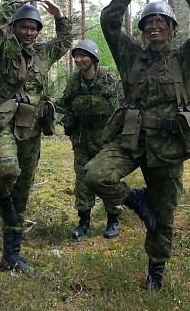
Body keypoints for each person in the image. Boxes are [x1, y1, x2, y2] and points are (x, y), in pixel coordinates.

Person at [84, 0, 190, 291]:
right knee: (95, 175)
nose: (155, 26)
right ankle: (135, 201)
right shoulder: (130, 56)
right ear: (143, 31)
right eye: (149, 23)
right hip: (132, 141)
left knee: (164, 216)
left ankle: (155, 276)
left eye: (161, 22)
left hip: (168, 147)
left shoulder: (185, 58)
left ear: (171, 29)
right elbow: (109, 23)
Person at [0, 0, 71, 273]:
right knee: (7, 169)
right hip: (3, 123)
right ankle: (2, 203)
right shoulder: (4, 48)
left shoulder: (43, 54)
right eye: (24, 27)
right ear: (15, 28)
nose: (30, 32)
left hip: (31, 128)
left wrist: (58, 15)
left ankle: (11, 255)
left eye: (34, 28)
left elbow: (66, 40)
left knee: (22, 191)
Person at [58, 39, 123, 240]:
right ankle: (84, 221)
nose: (79, 60)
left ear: (93, 58)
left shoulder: (108, 79)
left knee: (107, 177)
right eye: (76, 56)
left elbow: (121, 106)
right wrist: (66, 120)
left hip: (105, 137)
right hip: (81, 138)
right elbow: (65, 104)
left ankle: (113, 219)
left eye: (83, 56)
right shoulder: (74, 81)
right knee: (82, 179)